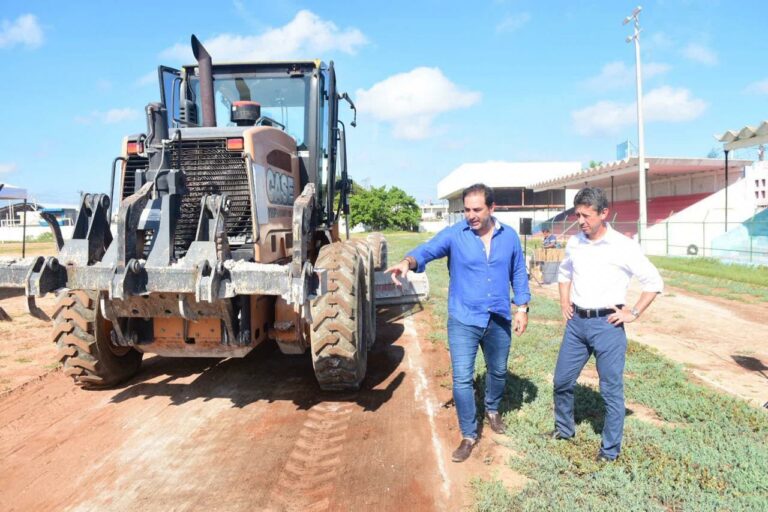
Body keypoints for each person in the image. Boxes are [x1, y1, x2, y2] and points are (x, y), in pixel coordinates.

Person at [386, 183, 530, 463]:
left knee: (498, 371)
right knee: (462, 378)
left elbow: (518, 273)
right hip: (464, 318)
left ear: (492, 208)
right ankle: (468, 434)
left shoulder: (510, 237)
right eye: (466, 210)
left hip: (498, 317)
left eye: (477, 209)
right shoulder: (456, 234)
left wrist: (522, 308)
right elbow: (428, 250)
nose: (471, 215)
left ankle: (492, 409)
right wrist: (407, 261)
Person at [552, 187, 663, 462]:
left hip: (607, 326)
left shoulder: (623, 246)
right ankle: (564, 430)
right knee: (561, 381)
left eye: (586, 215)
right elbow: (564, 272)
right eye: (577, 215)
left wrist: (633, 312)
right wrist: (565, 302)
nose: (581, 221)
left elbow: (654, 283)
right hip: (577, 324)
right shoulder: (574, 243)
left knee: (611, 391)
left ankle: (610, 451)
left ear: (604, 213)